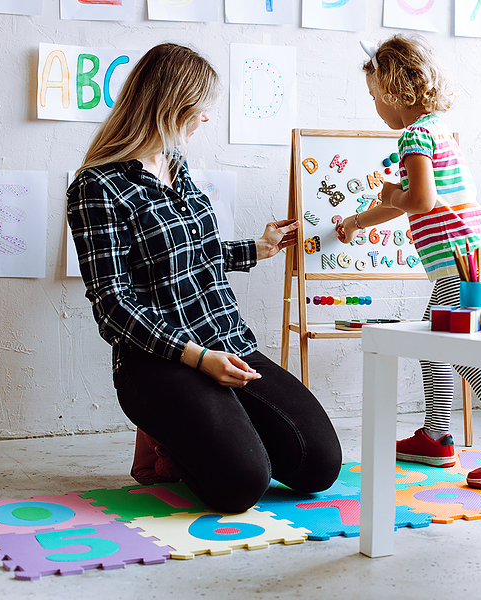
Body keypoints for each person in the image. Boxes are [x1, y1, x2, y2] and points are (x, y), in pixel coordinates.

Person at [66, 43, 342, 514]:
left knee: (319, 464)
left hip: (226, 340)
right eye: (202, 107)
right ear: (170, 105)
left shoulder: (177, 166)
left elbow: (188, 253)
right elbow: (113, 305)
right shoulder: (96, 187)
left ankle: (217, 434)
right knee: (240, 486)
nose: (207, 119)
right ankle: (176, 445)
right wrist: (198, 359)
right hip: (157, 360)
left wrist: (256, 248)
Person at [337, 35, 481, 488]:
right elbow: (414, 200)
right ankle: (437, 437)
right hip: (467, 258)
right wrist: (362, 219)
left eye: (373, 99)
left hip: (460, 263)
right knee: (435, 342)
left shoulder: (414, 134)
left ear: (390, 91)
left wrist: (390, 195)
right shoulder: (436, 128)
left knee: (462, 351)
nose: (375, 109)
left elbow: (420, 200)